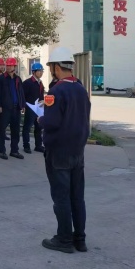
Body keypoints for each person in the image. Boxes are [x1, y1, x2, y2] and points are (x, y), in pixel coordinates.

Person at [38, 47, 90, 254]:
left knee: (61, 197)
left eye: (51, 66)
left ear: (56, 67)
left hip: (59, 151)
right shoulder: (80, 88)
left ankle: (64, 239)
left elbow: (51, 123)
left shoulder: (56, 91)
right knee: (77, 197)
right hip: (78, 151)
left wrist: (40, 119)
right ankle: (80, 239)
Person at [0, 57, 25, 160]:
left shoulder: (18, 79)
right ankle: (1, 151)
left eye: (11, 65)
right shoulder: (1, 78)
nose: (8, 67)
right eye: (7, 65)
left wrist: (22, 105)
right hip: (5, 109)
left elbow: (21, 92)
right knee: (1, 130)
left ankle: (14, 150)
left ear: (14, 66)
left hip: (16, 108)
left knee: (15, 130)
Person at [22, 62, 45, 154]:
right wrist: (23, 106)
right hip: (30, 108)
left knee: (38, 127)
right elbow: (23, 95)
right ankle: (26, 145)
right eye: (39, 71)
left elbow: (41, 95)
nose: (41, 73)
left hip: (39, 108)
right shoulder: (27, 83)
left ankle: (38, 145)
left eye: (42, 71)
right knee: (27, 127)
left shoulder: (40, 83)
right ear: (33, 72)